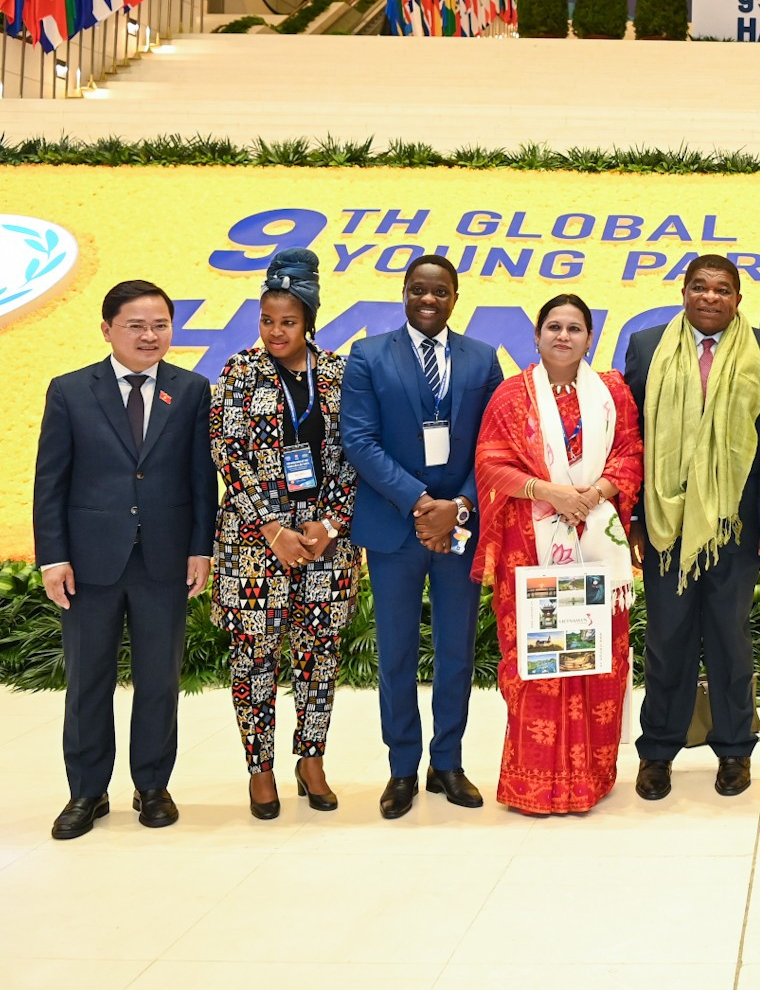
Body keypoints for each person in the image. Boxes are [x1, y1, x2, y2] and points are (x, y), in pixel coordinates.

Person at [34, 280, 217, 840]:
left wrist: (200, 547)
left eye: (160, 324)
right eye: (136, 325)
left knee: (159, 679)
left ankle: (152, 784)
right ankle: (87, 792)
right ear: (107, 328)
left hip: (163, 557)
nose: (150, 335)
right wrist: (53, 557)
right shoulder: (69, 391)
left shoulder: (189, 390)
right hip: (90, 563)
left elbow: (200, 478)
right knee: (88, 679)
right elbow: (51, 481)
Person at [341, 254, 505, 819]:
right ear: (404, 294)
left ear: (455, 297)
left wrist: (457, 506)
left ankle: (449, 762)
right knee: (397, 654)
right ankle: (402, 768)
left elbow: (496, 445)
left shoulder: (483, 359)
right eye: (417, 291)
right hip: (396, 527)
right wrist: (420, 504)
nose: (428, 300)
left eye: (439, 292)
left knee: (457, 650)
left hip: (460, 526)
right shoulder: (366, 355)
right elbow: (359, 440)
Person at [625, 255, 760, 800]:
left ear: (739, 298)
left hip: (733, 526)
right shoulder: (647, 347)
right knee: (666, 639)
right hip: (666, 522)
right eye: (701, 287)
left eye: (723, 289)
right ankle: (657, 752)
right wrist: (634, 521)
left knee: (730, 640)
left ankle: (735, 749)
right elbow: (633, 443)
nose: (711, 298)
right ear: (683, 292)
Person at [471, 294, 642, 815]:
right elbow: (491, 464)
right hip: (533, 548)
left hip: (596, 546)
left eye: (574, 328)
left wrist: (594, 494)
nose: (563, 336)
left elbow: (631, 454)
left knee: (592, 662)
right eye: (553, 327)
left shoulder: (612, 394)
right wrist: (551, 494)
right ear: (537, 335)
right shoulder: (510, 396)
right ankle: (533, 783)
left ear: (590, 337)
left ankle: (590, 778)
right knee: (539, 663)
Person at [210, 248, 359, 818]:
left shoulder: (340, 374)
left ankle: (311, 758)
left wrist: (328, 525)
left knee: (319, 655)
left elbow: (354, 454)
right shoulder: (238, 372)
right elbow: (227, 451)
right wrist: (271, 527)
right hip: (255, 546)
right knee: (255, 659)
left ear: (309, 321)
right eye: (267, 321)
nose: (276, 331)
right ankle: (261, 767)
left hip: (327, 545)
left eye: (288, 321)